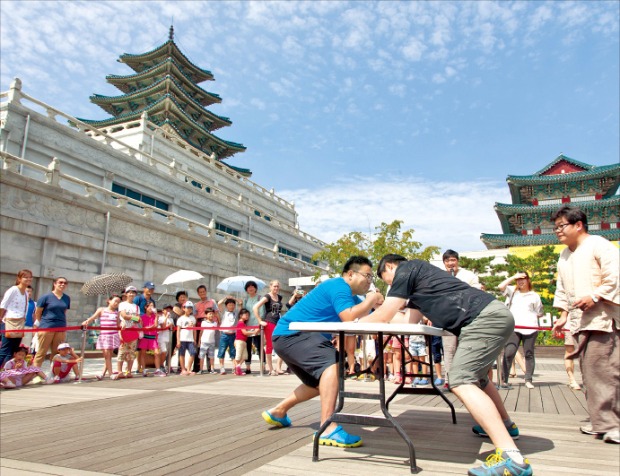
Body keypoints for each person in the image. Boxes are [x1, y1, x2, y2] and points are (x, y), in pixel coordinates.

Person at [365, 254, 532, 476]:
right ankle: (506, 425)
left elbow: (385, 312)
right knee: (478, 379)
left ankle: (512, 459)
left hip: (483, 319)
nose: (392, 287)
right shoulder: (420, 282)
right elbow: (408, 323)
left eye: (388, 281)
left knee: (461, 379)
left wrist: (352, 321)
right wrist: (377, 318)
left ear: (390, 267)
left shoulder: (407, 269)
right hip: (493, 315)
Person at [262, 256, 383, 449]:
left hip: (287, 337)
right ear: (350, 274)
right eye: (367, 276)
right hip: (293, 334)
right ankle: (327, 428)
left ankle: (279, 411)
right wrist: (371, 299)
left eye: (371, 278)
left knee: (320, 384)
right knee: (334, 365)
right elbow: (349, 317)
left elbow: (371, 316)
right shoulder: (339, 286)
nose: (369, 281)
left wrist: (379, 305)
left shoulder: (350, 297)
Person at [550, 205, 619, 445]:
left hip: (603, 318)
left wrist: (596, 296)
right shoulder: (564, 255)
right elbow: (563, 288)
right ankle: (601, 421)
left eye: (562, 226)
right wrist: (562, 315)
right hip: (580, 321)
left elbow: (615, 276)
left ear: (578, 225)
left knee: (604, 370)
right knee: (589, 372)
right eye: (555, 227)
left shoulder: (599, 244)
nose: (557, 231)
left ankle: (612, 424)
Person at [441, 249, 483, 389]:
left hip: (466, 316)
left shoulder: (468, 275)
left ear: (457, 261)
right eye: (447, 261)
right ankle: (449, 379)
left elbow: (477, 290)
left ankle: (466, 379)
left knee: (466, 348)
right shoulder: (439, 276)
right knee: (449, 349)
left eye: (453, 260)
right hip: (448, 316)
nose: (450, 263)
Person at [498, 272, 543, 389]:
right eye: (518, 279)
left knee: (529, 353)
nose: (520, 281)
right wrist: (513, 276)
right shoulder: (512, 291)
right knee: (509, 353)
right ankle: (504, 380)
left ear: (528, 280)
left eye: (523, 279)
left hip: (530, 328)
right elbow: (500, 286)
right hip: (514, 328)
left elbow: (539, 312)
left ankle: (528, 379)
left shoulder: (534, 295)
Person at [33, 277, 71, 369]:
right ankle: (33, 373)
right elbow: (38, 312)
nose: (62, 284)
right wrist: (42, 322)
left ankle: (54, 374)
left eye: (65, 283)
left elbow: (64, 312)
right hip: (47, 327)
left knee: (57, 353)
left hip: (60, 327)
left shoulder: (66, 298)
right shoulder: (45, 297)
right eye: (60, 282)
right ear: (55, 283)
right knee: (41, 352)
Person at [81, 294, 122, 380]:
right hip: (105, 336)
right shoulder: (102, 310)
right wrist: (86, 321)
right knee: (107, 355)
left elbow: (118, 324)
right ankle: (110, 374)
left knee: (109, 356)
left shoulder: (117, 313)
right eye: (115, 301)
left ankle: (102, 374)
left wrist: (123, 325)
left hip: (113, 336)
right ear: (109, 301)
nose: (116, 303)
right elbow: (93, 317)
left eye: (118, 302)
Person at [0, 269, 33, 368]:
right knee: (5, 350)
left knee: (14, 350)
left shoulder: (26, 293)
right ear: (19, 278)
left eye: (30, 277)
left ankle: (8, 373)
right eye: (25, 277)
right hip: (9, 322)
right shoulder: (13, 289)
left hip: (20, 322)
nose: (28, 279)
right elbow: (3, 305)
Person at [253, 280, 283, 376]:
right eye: (274, 286)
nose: (276, 288)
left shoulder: (279, 297)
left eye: (277, 286)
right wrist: (259, 321)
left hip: (278, 322)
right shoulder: (267, 297)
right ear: (270, 287)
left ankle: (278, 367)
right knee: (269, 345)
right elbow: (255, 307)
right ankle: (270, 368)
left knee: (280, 343)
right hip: (269, 322)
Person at [114, 286, 141, 379]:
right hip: (124, 330)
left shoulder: (136, 307)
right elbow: (124, 315)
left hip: (133, 331)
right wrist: (133, 317)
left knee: (131, 352)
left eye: (133, 293)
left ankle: (129, 371)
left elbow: (138, 319)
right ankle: (120, 371)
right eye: (130, 292)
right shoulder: (122, 304)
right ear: (126, 294)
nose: (131, 294)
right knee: (122, 352)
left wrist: (133, 318)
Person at [194, 285, 218, 373]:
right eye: (200, 292)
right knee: (199, 348)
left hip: (212, 323)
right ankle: (198, 368)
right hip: (200, 323)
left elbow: (217, 312)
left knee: (211, 350)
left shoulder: (212, 302)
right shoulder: (196, 304)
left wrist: (219, 323)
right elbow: (194, 315)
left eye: (203, 291)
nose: (202, 293)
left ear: (206, 291)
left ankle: (210, 368)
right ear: (198, 294)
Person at [138, 302, 165, 377]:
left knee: (156, 353)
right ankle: (143, 369)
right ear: (146, 307)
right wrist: (149, 328)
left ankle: (158, 369)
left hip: (153, 337)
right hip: (145, 336)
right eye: (150, 306)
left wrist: (156, 316)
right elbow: (141, 326)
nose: (151, 308)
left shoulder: (155, 316)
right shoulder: (142, 317)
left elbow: (155, 325)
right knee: (143, 353)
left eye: (152, 306)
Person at [243, 281, 264, 375]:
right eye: (248, 287)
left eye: (252, 286)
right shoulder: (245, 300)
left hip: (257, 327)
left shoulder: (260, 298)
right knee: (247, 348)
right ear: (246, 289)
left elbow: (262, 313)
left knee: (259, 347)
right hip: (248, 327)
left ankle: (262, 366)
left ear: (255, 288)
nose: (250, 288)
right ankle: (248, 367)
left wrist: (259, 326)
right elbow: (243, 313)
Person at [218, 296, 239, 374]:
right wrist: (225, 298)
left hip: (233, 335)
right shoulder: (224, 312)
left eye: (233, 305)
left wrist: (234, 298)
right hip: (224, 335)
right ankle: (222, 367)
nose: (231, 306)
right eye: (229, 305)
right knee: (222, 350)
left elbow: (240, 303)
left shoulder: (236, 313)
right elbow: (219, 303)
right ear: (226, 306)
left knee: (233, 351)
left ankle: (234, 367)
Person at [232, 309, 257, 376]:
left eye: (248, 315)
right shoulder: (241, 323)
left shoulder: (243, 323)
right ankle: (237, 370)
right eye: (246, 315)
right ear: (240, 315)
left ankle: (238, 367)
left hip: (243, 341)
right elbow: (245, 332)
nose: (247, 316)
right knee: (238, 356)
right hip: (240, 341)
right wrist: (254, 332)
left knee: (245, 356)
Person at [176, 301, 197, 376]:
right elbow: (178, 330)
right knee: (182, 354)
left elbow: (194, 330)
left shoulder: (193, 318)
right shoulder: (181, 319)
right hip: (182, 338)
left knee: (193, 352)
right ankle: (183, 369)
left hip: (190, 339)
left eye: (191, 308)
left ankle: (188, 368)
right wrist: (178, 340)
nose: (189, 309)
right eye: (188, 308)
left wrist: (195, 339)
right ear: (184, 308)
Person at [198, 308, 217, 374]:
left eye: (212, 314)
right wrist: (199, 341)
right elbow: (201, 332)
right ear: (206, 315)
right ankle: (201, 369)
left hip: (212, 342)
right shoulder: (203, 322)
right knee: (201, 356)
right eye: (209, 314)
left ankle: (212, 369)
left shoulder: (215, 323)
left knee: (211, 356)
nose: (211, 315)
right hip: (204, 341)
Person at [158, 305, 174, 373]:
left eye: (169, 310)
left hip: (168, 337)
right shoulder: (160, 318)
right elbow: (163, 327)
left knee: (166, 353)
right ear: (163, 310)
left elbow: (173, 330)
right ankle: (161, 365)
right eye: (166, 310)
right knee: (163, 351)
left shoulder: (171, 319)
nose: (168, 311)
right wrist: (167, 318)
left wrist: (172, 326)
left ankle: (161, 365)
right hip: (161, 337)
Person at [22, 285, 37, 353]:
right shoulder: (19, 301)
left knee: (26, 346)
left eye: (31, 291)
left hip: (28, 327)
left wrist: (34, 328)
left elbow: (35, 316)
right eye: (28, 291)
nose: (29, 293)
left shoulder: (34, 304)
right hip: (19, 326)